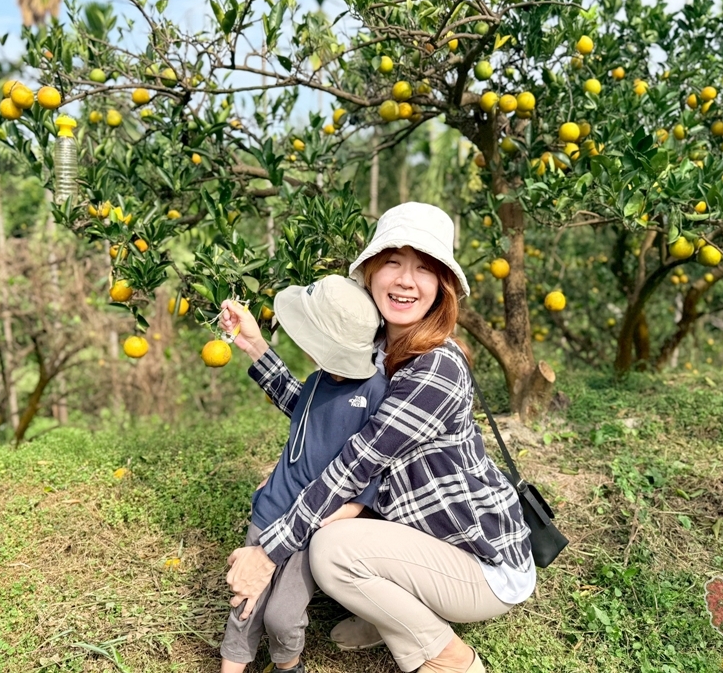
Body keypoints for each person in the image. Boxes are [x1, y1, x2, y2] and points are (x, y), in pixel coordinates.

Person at [221, 202, 535, 673]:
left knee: (331, 551)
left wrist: (267, 553)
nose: (406, 280)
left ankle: (447, 656)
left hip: (478, 560)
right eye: (393, 262)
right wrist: (255, 347)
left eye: (424, 268)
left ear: (442, 286)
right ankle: (391, 615)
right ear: (370, 272)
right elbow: (325, 416)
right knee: (335, 532)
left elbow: (355, 464)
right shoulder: (377, 345)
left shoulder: (437, 367)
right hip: (423, 539)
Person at [219, 275, 389, 673]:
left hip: (316, 526)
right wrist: (252, 344)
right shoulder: (318, 381)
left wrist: (342, 514)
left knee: (282, 617)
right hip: (272, 509)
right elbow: (303, 415)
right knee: (244, 607)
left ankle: (288, 666)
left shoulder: (375, 394)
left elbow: (373, 475)